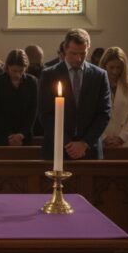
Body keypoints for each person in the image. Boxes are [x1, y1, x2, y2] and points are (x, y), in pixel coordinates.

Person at [38, 29, 111, 160]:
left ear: (88, 49)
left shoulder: (99, 76)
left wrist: (84, 143)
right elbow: (46, 115)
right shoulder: (49, 75)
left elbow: (104, 113)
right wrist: (67, 144)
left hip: (89, 149)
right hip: (58, 149)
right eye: (73, 53)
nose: (78, 58)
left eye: (83, 53)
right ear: (65, 49)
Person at [0, 49, 38, 146]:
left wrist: (21, 134)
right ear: (7, 67)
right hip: (2, 135)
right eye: (14, 71)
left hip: (25, 136)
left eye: (21, 71)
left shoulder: (32, 82)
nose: (17, 75)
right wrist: (9, 135)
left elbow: (33, 110)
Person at [99, 47, 128, 148]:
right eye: (111, 67)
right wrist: (103, 137)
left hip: (124, 141)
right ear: (105, 66)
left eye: (119, 68)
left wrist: (121, 137)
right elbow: (90, 114)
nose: (115, 71)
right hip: (102, 141)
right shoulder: (96, 83)